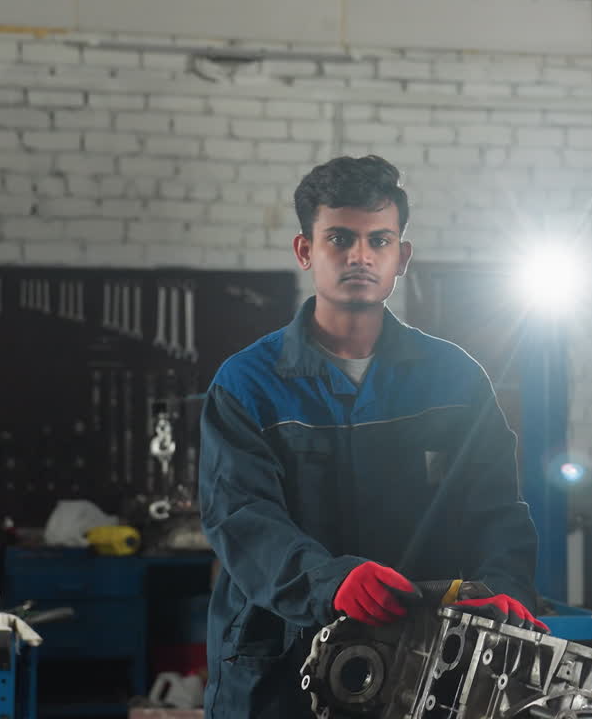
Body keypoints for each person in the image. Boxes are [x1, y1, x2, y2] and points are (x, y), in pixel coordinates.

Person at [198, 155, 545, 718]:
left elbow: (498, 508)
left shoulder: (456, 380)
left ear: (401, 257)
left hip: (425, 665)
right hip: (281, 671)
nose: (360, 256)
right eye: (340, 238)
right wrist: (330, 581)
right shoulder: (247, 384)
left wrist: (506, 587)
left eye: (378, 240)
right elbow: (241, 519)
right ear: (305, 250)